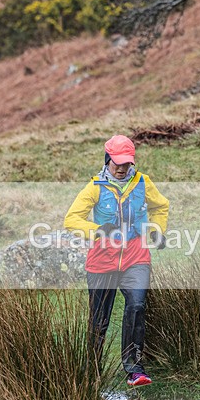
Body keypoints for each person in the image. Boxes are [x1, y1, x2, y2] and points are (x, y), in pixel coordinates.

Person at [64, 135, 169, 386]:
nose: (122, 168)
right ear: (107, 158)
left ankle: (135, 369)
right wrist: (99, 229)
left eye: (127, 163)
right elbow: (71, 220)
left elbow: (161, 206)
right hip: (102, 261)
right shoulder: (95, 186)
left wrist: (156, 231)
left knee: (137, 306)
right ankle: (92, 372)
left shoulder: (142, 182)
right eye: (117, 162)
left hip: (136, 256)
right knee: (99, 320)